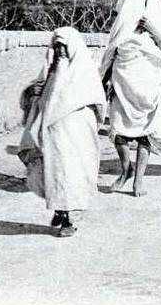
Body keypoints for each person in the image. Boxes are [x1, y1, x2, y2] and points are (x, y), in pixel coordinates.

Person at [100, 0, 161, 197]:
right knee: (118, 130)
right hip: (123, 83)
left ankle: (138, 180)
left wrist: (153, 30)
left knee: (147, 132)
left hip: (151, 86)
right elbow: (110, 53)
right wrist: (103, 80)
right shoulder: (122, 23)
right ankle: (126, 169)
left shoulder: (159, 20)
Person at [18, 27, 106, 237]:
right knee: (55, 172)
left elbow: (98, 103)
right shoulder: (50, 73)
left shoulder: (84, 72)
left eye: (63, 46)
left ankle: (64, 211)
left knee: (72, 173)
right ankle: (64, 216)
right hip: (53, 131)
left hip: (76, 131)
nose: (60, 52)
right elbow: (37, 99)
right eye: (56, 47)